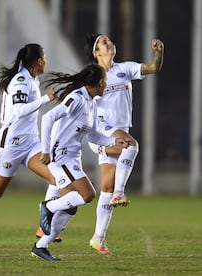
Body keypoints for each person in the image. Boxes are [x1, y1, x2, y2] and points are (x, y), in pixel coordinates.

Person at [31, 64, 130, 261]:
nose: (106, 85)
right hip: (61, 157)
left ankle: (41, 246)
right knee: (87, 194)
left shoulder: (91, 103)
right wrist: (46, 149)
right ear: (101, 83)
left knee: (70, 207)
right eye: (106, 82)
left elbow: (92, 135)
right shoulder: (76, 98)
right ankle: (49, 207)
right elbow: (49, 117)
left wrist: (114, 141)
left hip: (72, 158)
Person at [84, 34, 164, 254]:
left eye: (110, 40)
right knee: (131, 145)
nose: (109, 43)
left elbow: (153, 68)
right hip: (102, 132)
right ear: (96, 52)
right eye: (103, 42)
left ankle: (98, 238)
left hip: (118, 131)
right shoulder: (92, 76)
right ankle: (121, 192)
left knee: (105, 190)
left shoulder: (124, 69)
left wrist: (159, 53)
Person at [0, 44, 60, 232]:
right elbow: (18, 110)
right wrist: (45, 99)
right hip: (11, 144)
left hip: (31, 143)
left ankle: (44, 223)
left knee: (58, 177)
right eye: (45, 58)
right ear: (39, 61)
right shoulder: (21, 80)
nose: (46, 61)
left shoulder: (32, 79)